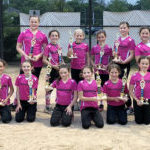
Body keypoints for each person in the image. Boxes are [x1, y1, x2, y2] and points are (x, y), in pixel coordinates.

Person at [11, 15, 48, 110]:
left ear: (39, 23)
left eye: (35, 22)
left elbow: (46, 49)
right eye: (32, 21)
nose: (34, 23)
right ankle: (16, 102)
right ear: (29, 22)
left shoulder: (42, 35)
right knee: (21, 82)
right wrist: (25, 55)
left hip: (37, 63)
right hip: (25, 63)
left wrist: (39, 56)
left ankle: (32, 102)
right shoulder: (23, 33)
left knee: (34, 83)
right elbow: (18, 47)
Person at [113, 21, 135, 114]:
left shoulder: (130, 40)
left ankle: (129, 105)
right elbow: (114, 52)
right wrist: (115, 56)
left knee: (123, 84)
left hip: (125, 64)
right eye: (121, 28)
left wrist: (124, 61)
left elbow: (132, 54)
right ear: (119, 29)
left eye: (124, 27)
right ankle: (121, 104)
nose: (123, 29)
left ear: (128, 29)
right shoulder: (117, 40)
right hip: (117, 64)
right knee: (117, 83)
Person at [67, 29, 90, 110]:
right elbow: (69, 56)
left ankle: (82, 101)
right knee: (75, 85)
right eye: (77, 35)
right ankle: (75, 101)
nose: (79, 37)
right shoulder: (71, 44)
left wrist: (88, 66)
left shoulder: (85, 45)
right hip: (74, 68)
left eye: (80, 35)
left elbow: (87, 56)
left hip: (82, 69)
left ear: (83, 36)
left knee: (83, 85)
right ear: (74, 36)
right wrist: (70, 52)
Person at [91, 30, 112, 111]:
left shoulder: (109, 48)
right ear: (97, 38)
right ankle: (101, 103)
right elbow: (92, 59)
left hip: (106, 71)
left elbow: (111, 59)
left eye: (102, 37)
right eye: (99, 37)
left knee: (105, 86)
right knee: (99, 86)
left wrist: (107, 65)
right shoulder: (94, 47)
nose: (101, 38)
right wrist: (94, 65)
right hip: (97, 71)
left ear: (105, 37)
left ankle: (109, 102)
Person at [43, 30, 62, 113]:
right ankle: (47, 107)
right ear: (49, 37)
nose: (54, 37)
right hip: (50, 70)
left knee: (59, 87)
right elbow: (44, 60)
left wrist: (63, 64)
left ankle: (59, 104)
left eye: (56, 35)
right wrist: (53, 66)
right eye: (52, 35)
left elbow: (60, 59)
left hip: (58, 70)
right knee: (49, 88)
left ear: (58, 37)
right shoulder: (48, 47)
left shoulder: (59, 47)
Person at [129, 56, 150, 125]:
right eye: (142, 63)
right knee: (139, 121)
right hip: (137, 100)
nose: (144, 65)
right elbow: (131, 90)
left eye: (146, 64)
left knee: (147, 122)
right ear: (139, 64)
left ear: (149, 65)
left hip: (148, 100)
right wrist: (136, 100)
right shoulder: (134, 75)